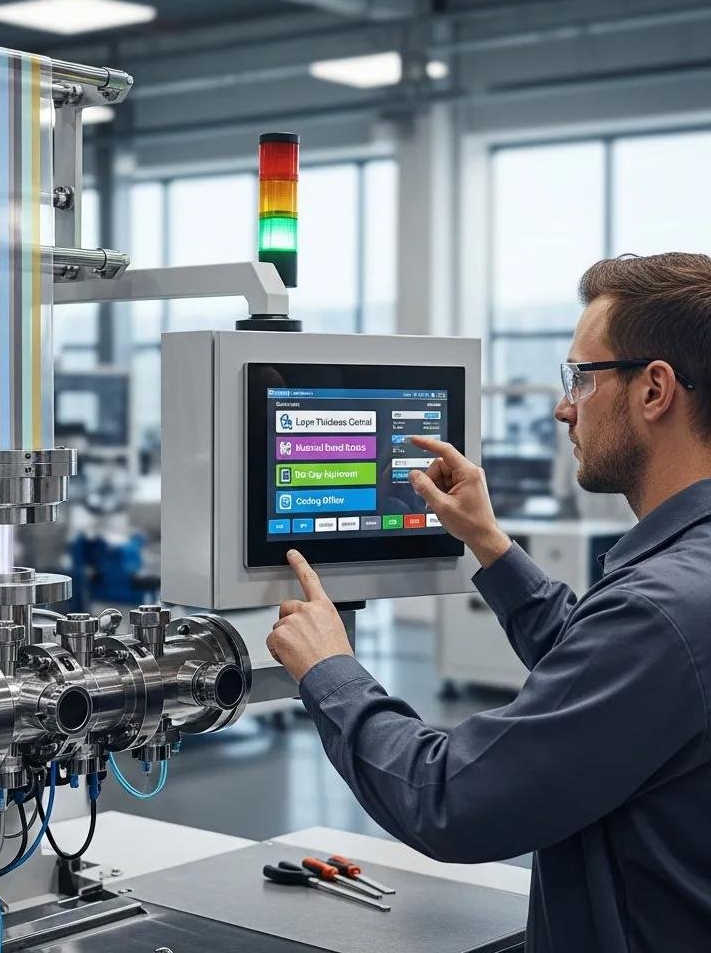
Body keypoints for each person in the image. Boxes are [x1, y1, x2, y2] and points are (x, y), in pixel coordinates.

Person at [266, 252, 711, 953]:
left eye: (581, 378)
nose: (566, 406)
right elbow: (611, 685)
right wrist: (490, 544)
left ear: (655, 390)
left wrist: (332, 672)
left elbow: (451, 801)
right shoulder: (686, 586)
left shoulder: (662, 606)